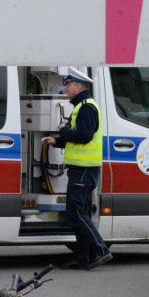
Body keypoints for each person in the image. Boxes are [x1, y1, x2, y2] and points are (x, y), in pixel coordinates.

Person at [42, 68, 112, 270]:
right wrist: (57, 140)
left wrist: (64, 131)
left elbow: (84, 135)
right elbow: (78, 138)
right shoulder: (82, 106)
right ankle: (82, 258)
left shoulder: (86, 107)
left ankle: (101, 250)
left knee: (77, 214)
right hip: (82, 169)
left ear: (79, 86)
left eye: (69, 84)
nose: (66, 87)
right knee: (79, 213)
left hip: (83, 169)